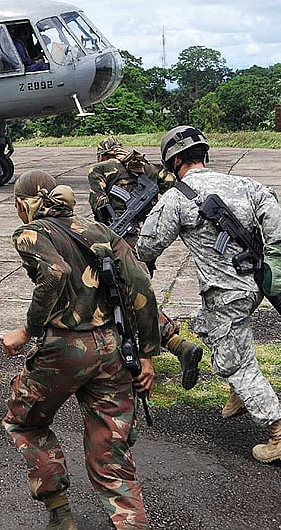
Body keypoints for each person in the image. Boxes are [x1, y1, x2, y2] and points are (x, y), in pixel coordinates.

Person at [136, 126, 281, 464]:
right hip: (255, 285)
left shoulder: (178, 197)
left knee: (234, 362)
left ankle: (279, 434)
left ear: (175, 160)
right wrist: (274, 256)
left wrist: (144, 258)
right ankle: (239, 394)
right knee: (204, 325)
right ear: (204, 154)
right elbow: (274, 214)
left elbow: (148, 244)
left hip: (226, 293)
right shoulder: (243, 184)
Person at [2, 170, 159, 530]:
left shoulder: (31, 232)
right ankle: (132, 523)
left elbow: (53, 273)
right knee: (110, 446)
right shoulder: (100, 231)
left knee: (24, 422)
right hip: (111, 349)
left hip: (64, 350)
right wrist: (146, 354)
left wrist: (27, 331)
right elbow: (140, 285)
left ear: (24, 204)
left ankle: (60, 513)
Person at [88, 135, 204, 390]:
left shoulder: (101, 170)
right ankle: (176, 346)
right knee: (139, 295)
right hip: (147, 242)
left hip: (120, 242)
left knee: (126, 298)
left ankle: (169, 346)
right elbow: (178, 186)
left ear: (102, 155)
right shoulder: (148, 167)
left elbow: (99, 206)